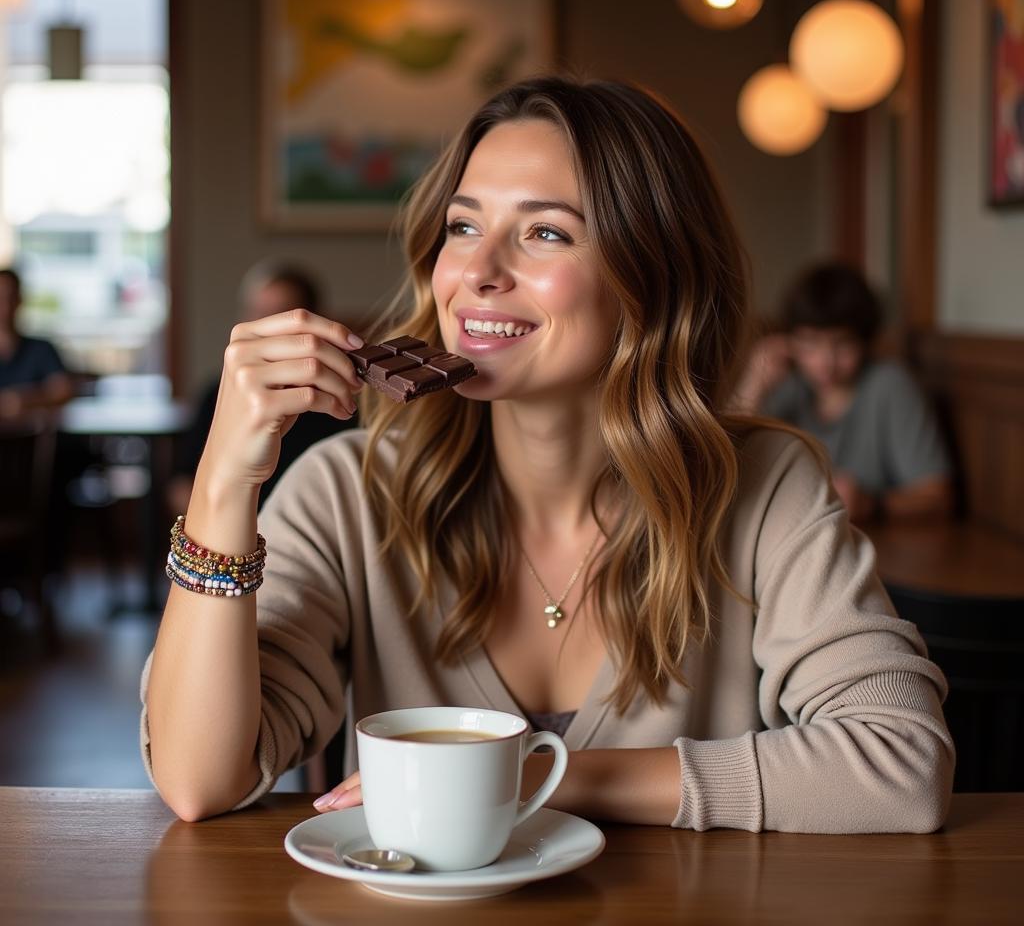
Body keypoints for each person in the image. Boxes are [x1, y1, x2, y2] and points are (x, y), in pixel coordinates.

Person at [142, 76, 953, 833]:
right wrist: (223, 483)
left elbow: (901, 762)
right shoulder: (348, 495)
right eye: (464, 226)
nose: (478, 272)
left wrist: (557, 778)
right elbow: (197, 778)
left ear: (651, 275)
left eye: (544, 232)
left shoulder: (762, 489)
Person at [734, 263, 953, 523]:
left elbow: (939, 497)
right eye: (810, 342)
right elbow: (723, 465)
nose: (826, 361)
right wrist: (752, 385)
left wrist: (872, 504)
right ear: (790, 341)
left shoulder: (890, 385)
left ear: (865, 341)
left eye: (842, 343)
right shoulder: (787, 384)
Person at [165, 261, 353, 516]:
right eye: (257, 312)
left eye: (279, 315)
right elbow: (181, 485)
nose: (266, 327)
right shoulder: (218, 394)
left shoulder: (342, 402)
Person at [0, 268, 75, 420]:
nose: (5, 305)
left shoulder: (41, 349)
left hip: (34, 439)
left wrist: (22, 400)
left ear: (20, 300)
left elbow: (63, 390)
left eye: (10, 297)